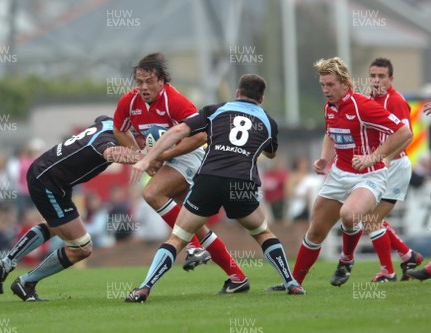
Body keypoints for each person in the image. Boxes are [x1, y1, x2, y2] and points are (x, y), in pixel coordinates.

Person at [125, 74, 306, 303]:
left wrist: (148, 158)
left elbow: (177, 132)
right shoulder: (269, 122)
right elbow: (271, 152)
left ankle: (144, 288)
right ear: (261, 98)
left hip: (209, 179)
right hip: (241, 184)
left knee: (179, 237)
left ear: (237, 92)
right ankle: (291, 283)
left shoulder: (216, 110)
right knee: (262, 233)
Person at [266, 57, 412, 292]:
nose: (326, 90)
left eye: (331, 84)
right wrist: (325, 157)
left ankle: (346, 259)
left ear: (345, 83)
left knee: (349, 213)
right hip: (339, 174)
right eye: (323, 85)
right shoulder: (329, 107)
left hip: (370, 176)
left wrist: (374, 157)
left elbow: (404, 132)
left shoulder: (362, 105)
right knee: (316, 230)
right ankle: (293, 284)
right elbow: (330, 133)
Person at [113, 52, 249, 294]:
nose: (143, 87)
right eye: (139, 82)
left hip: (189, 156)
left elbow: (200, 136)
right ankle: (237, 277)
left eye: (149, 82)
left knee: (152, 193)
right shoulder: (130, 102)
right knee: (195, 224)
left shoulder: (175, 101)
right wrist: (143, 155)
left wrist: (158, 156)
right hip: (162, 160)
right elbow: (119, 129)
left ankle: (194, 248)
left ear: (162, 81)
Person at [0, 115, 142, 301]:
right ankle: (25, 281)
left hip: (52, 178)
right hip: (48, 182)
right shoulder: (106, 142)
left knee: (55, 225)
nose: (141, 144)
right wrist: (144, 158)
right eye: (140, 138)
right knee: (82, 247)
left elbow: (100, 119)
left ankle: (6, 264)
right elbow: (110, 153)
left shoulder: (107, 123)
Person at [330, 58, 423, 285]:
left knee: (372, 219)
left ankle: (388, 271)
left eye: (381, 76)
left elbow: (407, 134)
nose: (376, 80)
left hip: (394, 166)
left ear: (391, 79)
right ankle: (407, 256)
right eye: (373, 76)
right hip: (377, 166)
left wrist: (386, 159)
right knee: (369, 218)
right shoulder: (368, 99)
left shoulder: (396, 100)